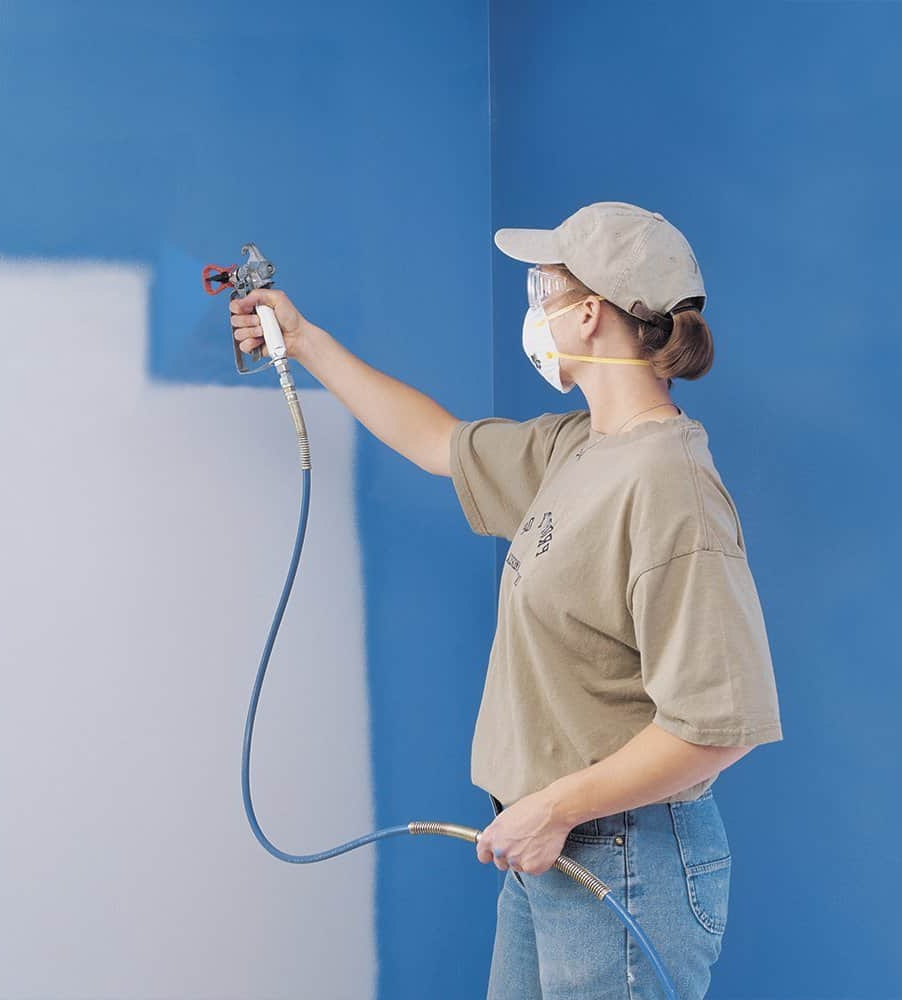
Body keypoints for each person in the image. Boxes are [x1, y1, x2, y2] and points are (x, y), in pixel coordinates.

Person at [228, 200, 784, 1000]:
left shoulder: (672, 490)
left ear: (591, 315)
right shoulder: (577, 446)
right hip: (550, 849)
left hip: (621, 857)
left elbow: (716, 731)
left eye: (545, 293)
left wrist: (552, 808)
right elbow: (436, 441)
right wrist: (304, 339)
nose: (536, 312)